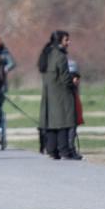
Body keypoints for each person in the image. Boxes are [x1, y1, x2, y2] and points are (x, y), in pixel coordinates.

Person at [37, 31, 81, 160]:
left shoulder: (47, 54)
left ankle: (52, 150)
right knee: (63, 122)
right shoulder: (60, 57)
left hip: (48, 94)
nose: (69, 42)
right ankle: (64, 151)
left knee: (51, 123)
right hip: (61, 94)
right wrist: (73, 84)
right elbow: (65, 78)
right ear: (60, 41)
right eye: (66, 40)